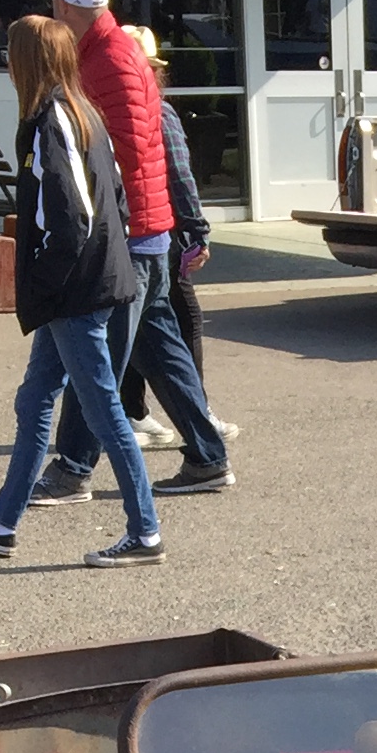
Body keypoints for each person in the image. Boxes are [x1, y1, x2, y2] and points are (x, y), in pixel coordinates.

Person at [0, 15, 161, 570]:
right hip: (84, 285)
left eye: (9, 55)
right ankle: (1, 524)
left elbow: (74, 220)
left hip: (75, 290)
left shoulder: (52, 121)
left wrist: (39, 281)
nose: (5, 66)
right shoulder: (80, 110)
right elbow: (110, 196)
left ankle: (146, 532)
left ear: (26, 62)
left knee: (103, 409)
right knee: (36, 398)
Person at [29, 0, 232, 505]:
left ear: (67, 9)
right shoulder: (114, 52)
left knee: (95, 361)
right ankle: (207, 457)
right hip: (145, 232)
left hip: (130, 233)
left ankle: (72, 470)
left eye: (55, 5)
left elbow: (116, 152)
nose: (52, 14)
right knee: (157, 350)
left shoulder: (107, 60)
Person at [117, 24, 234, 452]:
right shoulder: (158, 112)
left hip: (129, 234)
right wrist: (197, 230)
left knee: (134, 328)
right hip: (157, 234)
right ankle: (197, 419)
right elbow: (180, 176)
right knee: (180, 323)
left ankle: (134, 412)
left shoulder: (107, 107)